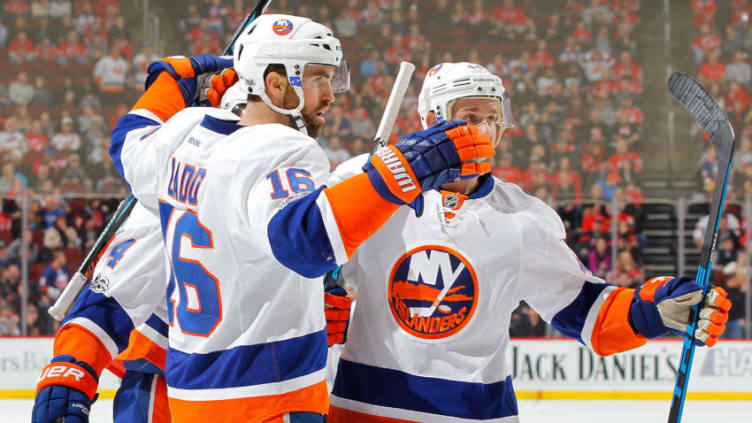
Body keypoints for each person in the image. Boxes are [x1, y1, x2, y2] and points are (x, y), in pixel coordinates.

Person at [108, 14, 493, 423]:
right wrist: (403, 171)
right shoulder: (284, 149)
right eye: (318, 79)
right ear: (275, 84)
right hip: (269, 397)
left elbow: (128, 143)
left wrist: (172, 79)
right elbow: (307, 243)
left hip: (190, 394)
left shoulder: (185, 133)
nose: (330, 94)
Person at [326, 62, 732, 423]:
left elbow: (591, 314)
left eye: (492, 118)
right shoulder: (368, 188)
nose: (484, 131)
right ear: (432, 118)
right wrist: (319, 301)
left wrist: (655, 309)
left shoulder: (523, 219)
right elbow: (301, 263)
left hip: (474, 415)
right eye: (469, 116)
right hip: (364, 410)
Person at [32, 59, 241, 423]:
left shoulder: (286, 179)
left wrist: (172, 78)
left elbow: (133, 133)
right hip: (174, 380)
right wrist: (71, 371)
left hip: (261, 384)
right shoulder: (180, 194)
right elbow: (109, 302)